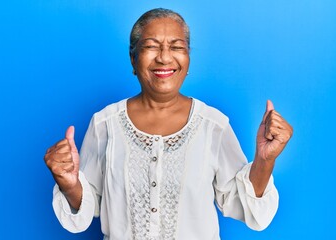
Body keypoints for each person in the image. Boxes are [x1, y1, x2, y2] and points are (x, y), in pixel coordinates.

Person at [44, 8, 293, 240]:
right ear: (133, 59)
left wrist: (264, 161)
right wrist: (69, 183)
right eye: (151, 46)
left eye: (176, 46)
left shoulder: (213, 125)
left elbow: (247, 209)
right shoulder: (105, 124)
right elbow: (88, 208)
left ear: (188, 59)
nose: (164, 57)